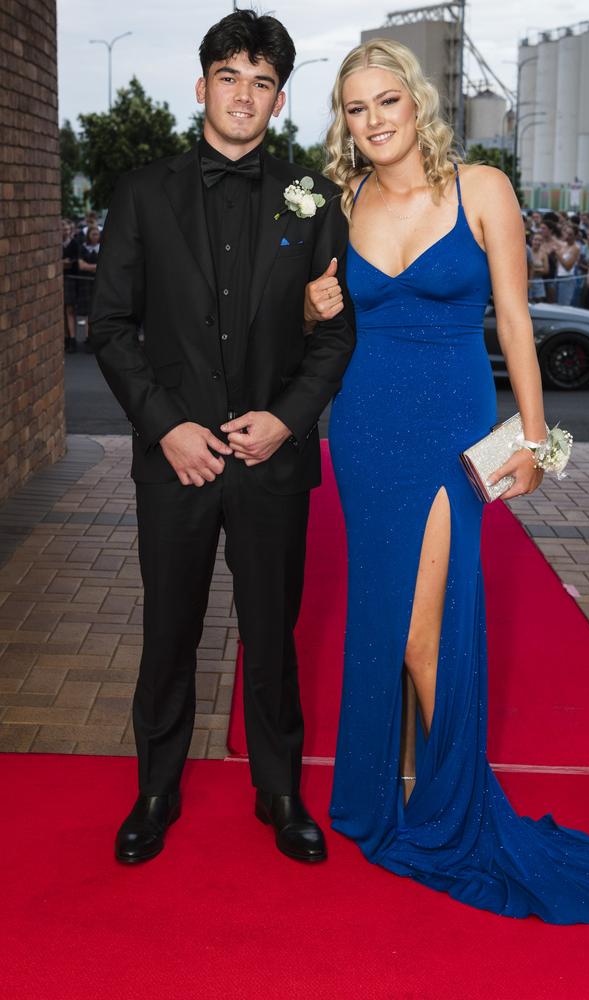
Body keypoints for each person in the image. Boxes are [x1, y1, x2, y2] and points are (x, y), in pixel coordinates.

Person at [305, 38, 589, 922]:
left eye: (387, 100)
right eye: (356, 108)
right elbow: (308, 316)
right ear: (344, 123)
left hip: (454, 431)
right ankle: (406, 794)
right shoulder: (340, 201)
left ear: (415, 101)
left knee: (430, 626)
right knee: (391, 617)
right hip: (368, 430)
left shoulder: (482, 188)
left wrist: (542, 442)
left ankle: (455, 807)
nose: (374, 119)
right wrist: (310, 304)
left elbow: (515, 323)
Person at [90, 10, 355, 866]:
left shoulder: (310, 196)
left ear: (280, 99)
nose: (245, 95)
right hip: (176, 464)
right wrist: (166, 427)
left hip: (273, 464)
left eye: (264, 81)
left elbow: (335, 333)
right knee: (169, 629)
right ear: (202, 86)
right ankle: (156, 789)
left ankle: (279, 790)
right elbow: (112, 327)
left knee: (273, 632)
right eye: (230, 77)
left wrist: (287, 419)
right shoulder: (140, 191)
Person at [77, 224, 101, 351]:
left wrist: (90, 266)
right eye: (93, 234)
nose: (95, 236)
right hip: (86, 284)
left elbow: (105, 266)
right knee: (88, 313)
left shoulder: (103, 247)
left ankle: (97, 337)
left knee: (98, 311)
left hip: (99, 283)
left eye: (97, 234)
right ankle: (88, 337)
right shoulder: (83, 248)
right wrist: (95, 267)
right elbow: (81, 266)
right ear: (88, 235)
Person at [62, 219, 79, 353]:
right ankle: (66, 338)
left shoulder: (74, 243)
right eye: (63, 229)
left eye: (67, 229)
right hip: (60, 279)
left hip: (70, 280)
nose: (65, 231)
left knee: (69, 309)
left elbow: (74, 262)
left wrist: (66, 262)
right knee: (61, 311)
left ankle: (72, 339)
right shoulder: (55, 244)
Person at [555, 223, 580, 306]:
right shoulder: (563, 245)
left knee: (564, 305)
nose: (568, 236)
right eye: (567, 233)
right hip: (558, 277)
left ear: (575, 236)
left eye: (570, 234)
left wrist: (558, 255)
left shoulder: (576, 248)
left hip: (567, 279)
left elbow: (568, 266)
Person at [529, 232, 549, 302]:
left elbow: (546, 270)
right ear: (532, 240)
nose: (537, 242)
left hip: (539, 281)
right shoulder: (527, 251)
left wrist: (534, 270)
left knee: (539, 302)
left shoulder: (543, 254)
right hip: (528, 281)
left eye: (540, 240)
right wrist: (539, 269)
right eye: (535, 240)